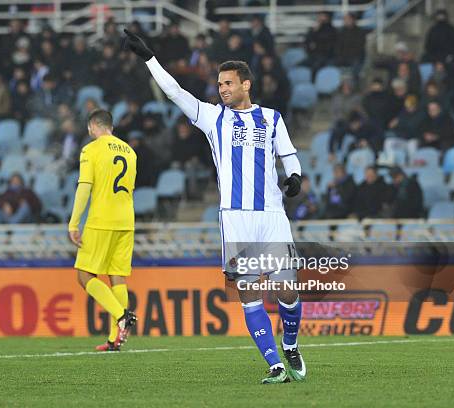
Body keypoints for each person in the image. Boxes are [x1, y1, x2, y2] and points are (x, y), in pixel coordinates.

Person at [125, 29, 305, 384]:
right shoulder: (212, 117)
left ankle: (292, 344)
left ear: (246, 84)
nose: (222, 89)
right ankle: (275, 365)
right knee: (249, 291)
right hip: (235, 219)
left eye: (228, 83)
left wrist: (295, 177)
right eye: (219, 84)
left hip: (271, 214)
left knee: (287, 287)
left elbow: (288, 154)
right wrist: (150, 59)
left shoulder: (272, 118)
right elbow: (175, 91)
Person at [68, 110, 138, 352]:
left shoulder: (91, 149)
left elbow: (84, 188)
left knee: (84, 275)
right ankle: (114, 340)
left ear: (92, 127)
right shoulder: (130, 151)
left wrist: (73, 223)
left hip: (101, 220)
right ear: (112, 127)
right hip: (126, 221)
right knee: (117, 276)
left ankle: (121, 315)